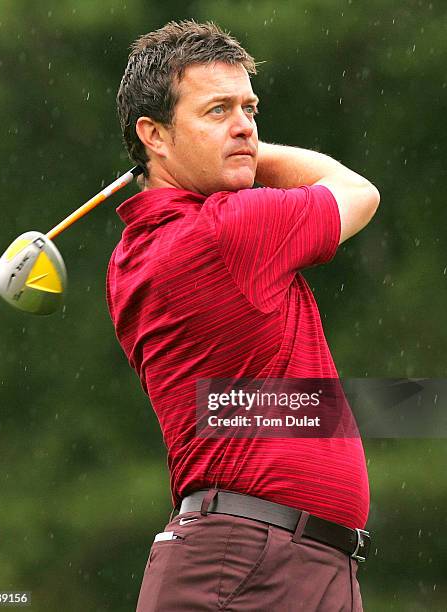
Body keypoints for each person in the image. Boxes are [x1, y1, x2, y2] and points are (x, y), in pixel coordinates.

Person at [107, 20, 380, 612]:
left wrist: (222, 145)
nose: (245, 127)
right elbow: (357, 191)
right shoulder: (227, 230)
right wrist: (253, 154)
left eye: (250, 109)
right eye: (217, 111)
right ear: (153, 134)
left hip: (271, 560)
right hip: (253, 564)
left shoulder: (133, 253)